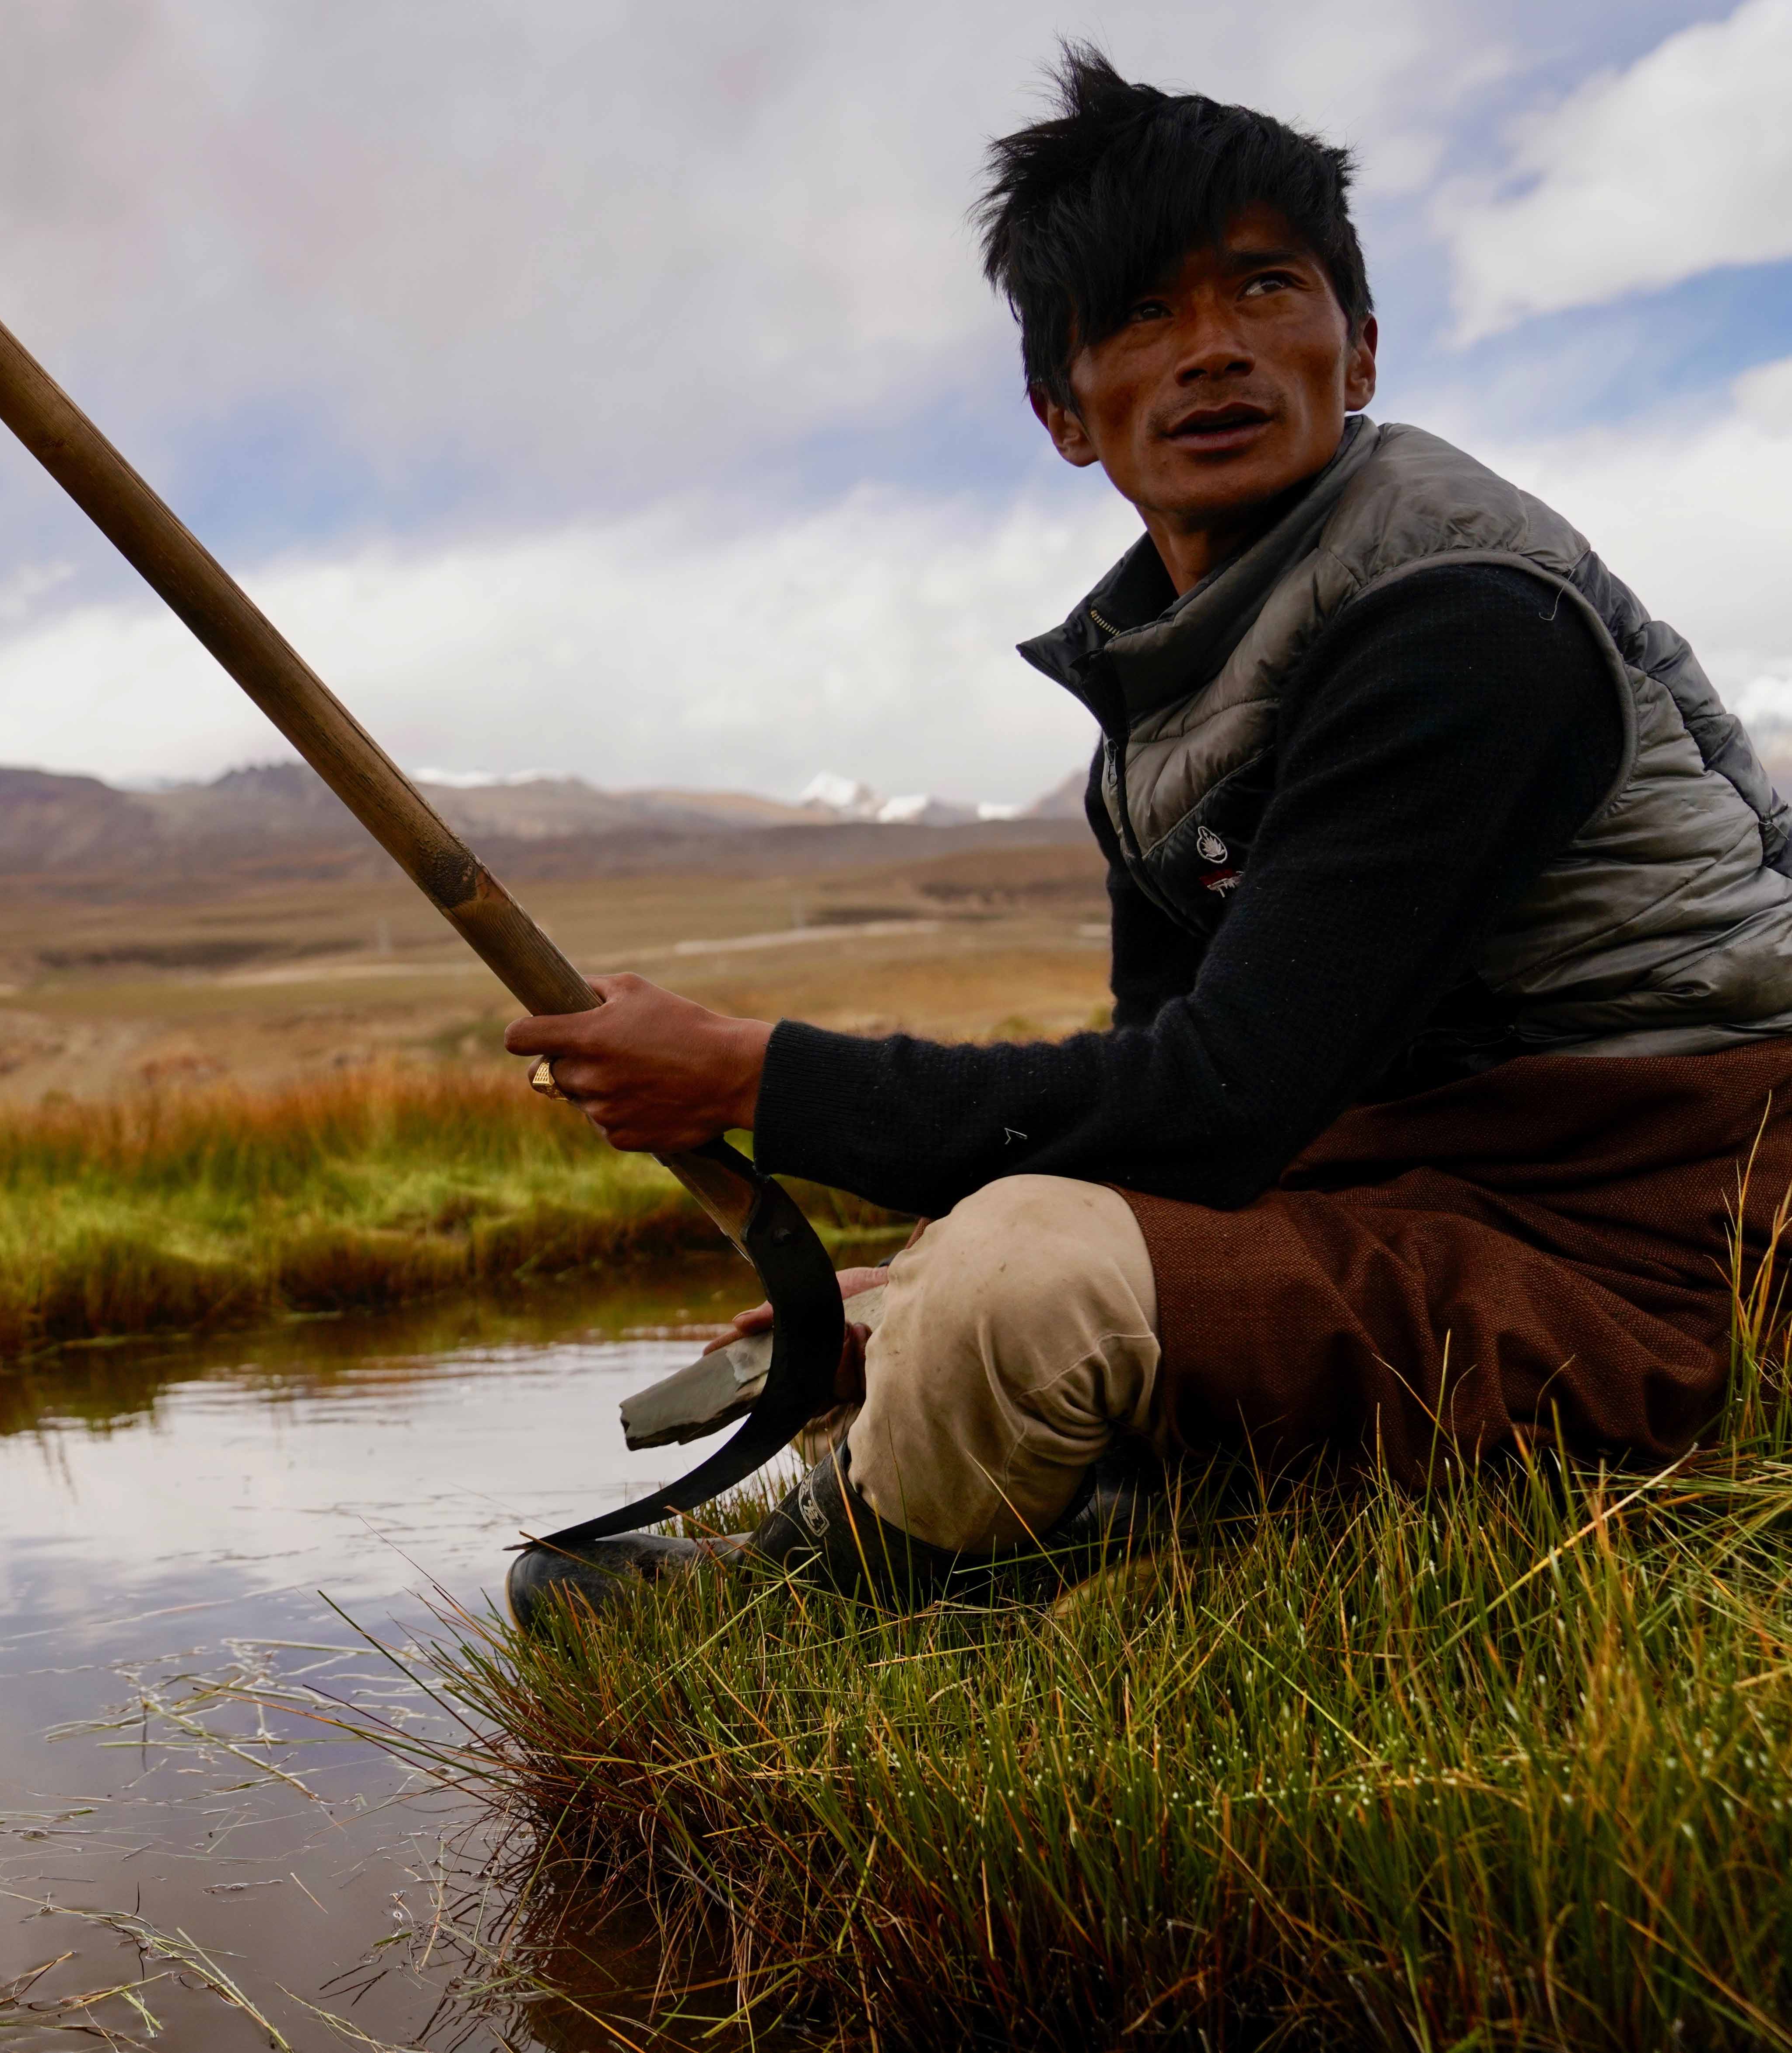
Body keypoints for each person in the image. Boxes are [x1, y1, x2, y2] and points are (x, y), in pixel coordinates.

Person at [504, 47, 1792, 1625]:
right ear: (1062, 412)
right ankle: (1071, 1514)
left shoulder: (1464, 628)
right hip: (1432, 1211)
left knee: (1012, 1278)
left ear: (1362, 348)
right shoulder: (1173, 687)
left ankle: (857, 1594)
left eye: (1265, 288)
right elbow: (1160, 1119)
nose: (1214, 354)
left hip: (1671, 1255)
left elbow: (1214, 1108)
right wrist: (909, 1286)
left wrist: (755, 1079)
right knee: (974, 1272)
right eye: (1140, 317)